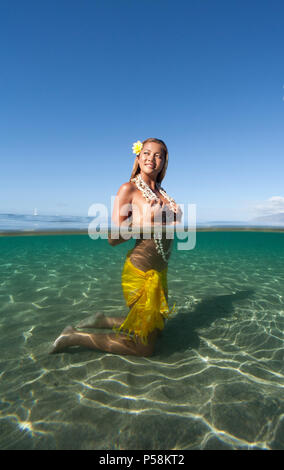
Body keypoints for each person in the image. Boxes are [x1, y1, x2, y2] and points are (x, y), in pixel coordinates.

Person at [50, 138, 182, 357]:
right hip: (140, 273)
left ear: (164, 162)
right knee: (145, 347)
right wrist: (146, 221)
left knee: (157, 328)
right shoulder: (128, 189)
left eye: (159, 155)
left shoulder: (163, 194)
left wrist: (177, 218)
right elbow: (113, 238)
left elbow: (168, 230)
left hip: (160, 272)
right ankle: (72, 335)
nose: (152, 158)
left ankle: (103, 320)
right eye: (147, 153)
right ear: (138, 157)